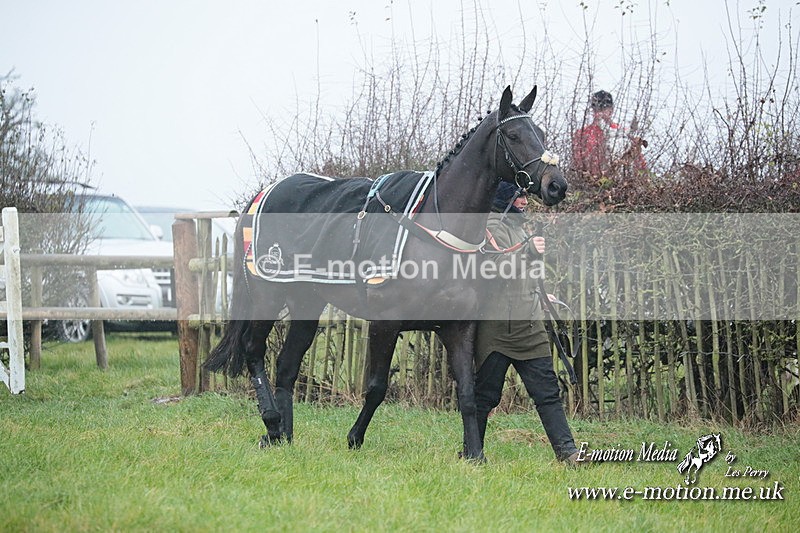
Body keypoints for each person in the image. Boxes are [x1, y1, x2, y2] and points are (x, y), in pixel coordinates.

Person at [473, 181, 581, 465]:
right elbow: (494, 270)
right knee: (484, 397)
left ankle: (568, 453)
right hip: (496, 330)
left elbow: (522, 273)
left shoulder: (519, 227)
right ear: (506, 197)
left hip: (529, 325)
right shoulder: (489, 227)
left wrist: (541, 293)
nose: (526, 201)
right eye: (520, 196)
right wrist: (529, 252)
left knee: (547, 391)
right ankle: (472, 452)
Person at [572, 90, 647, 177]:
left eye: (603, 109)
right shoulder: (581, 134)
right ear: (592, 110)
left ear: (611, 110)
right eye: (597, 109)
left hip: (619, 183)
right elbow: (577, 163)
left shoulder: (623, 133)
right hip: (590, 182)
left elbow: (639, 163)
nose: (599, 113)